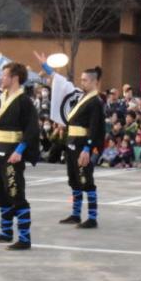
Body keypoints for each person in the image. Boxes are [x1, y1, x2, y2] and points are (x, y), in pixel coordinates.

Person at [38, 56, 106, 229]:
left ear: (93, 82)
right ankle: (76, 214)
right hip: (72, 142)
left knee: (86, 180)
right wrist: (47, 68)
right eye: (81, 80)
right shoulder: (83, 97)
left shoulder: (96, 101)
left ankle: (92, 217)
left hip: (83, 144)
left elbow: (95, 127)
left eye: (84, 80)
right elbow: (63, 85)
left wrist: (88, 148)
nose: (81, 83)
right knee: (74, 179)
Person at [0, 62, 40, 250]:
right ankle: (6, 232)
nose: (2, 78)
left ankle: (24, 238)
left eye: (5, 75)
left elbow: (32, 127)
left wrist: (20, 150)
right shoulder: (4, 97)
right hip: (0, 149)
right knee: (0, 192)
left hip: (12, 152)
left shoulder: (23, 100)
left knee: (15, 192)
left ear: (15, 78)